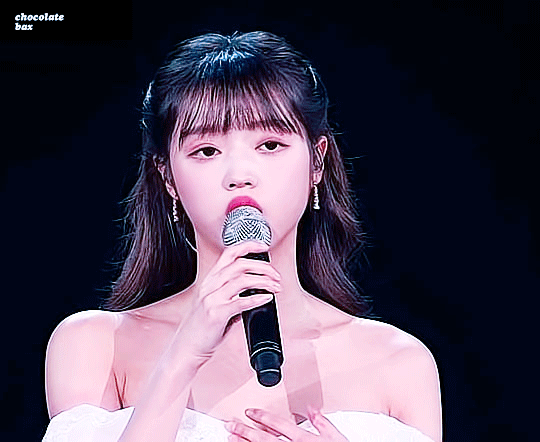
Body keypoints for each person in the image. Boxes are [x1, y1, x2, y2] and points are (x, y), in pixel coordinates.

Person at [43, 31, 442, 441]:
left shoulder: (399, 363)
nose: (239, 175)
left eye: (269, 145)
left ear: (317, 162)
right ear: (168, 177)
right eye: (206, 151)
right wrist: (182, 356)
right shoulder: (98, 345)